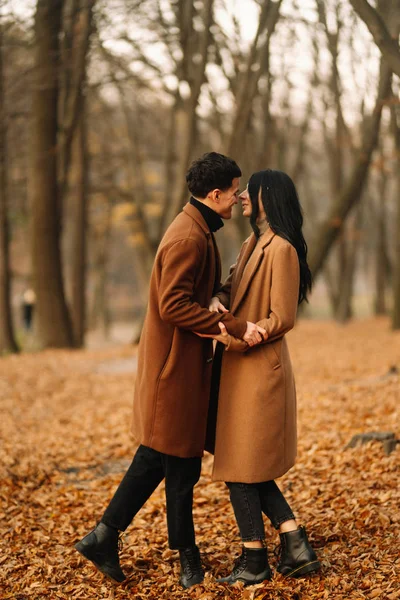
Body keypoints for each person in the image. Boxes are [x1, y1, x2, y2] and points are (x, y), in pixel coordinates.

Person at [74, 152, 266, 589]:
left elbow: (191, 294)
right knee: (178, 467)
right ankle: (188, 563)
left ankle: (103, 537)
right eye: (235, 191)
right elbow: (173, 304)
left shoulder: (198, 228)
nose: (238, 199)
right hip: (173, 372)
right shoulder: (188, 238)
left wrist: (215, 296)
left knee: (156, 462)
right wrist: (234, 325)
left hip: (178, 368)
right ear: (214, 194)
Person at [199, 169, 321, 585]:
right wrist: (217, 300)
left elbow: (282, 317)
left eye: (251, 189)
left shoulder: (282, 249)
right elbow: (231, 287)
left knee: (239, 466)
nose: (243, 196)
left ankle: (255, 560)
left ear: (271, 195)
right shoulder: (254, 242)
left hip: (258, 369)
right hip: (238, 370)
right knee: (242, 462)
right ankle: (294, 542)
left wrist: (241, 335)